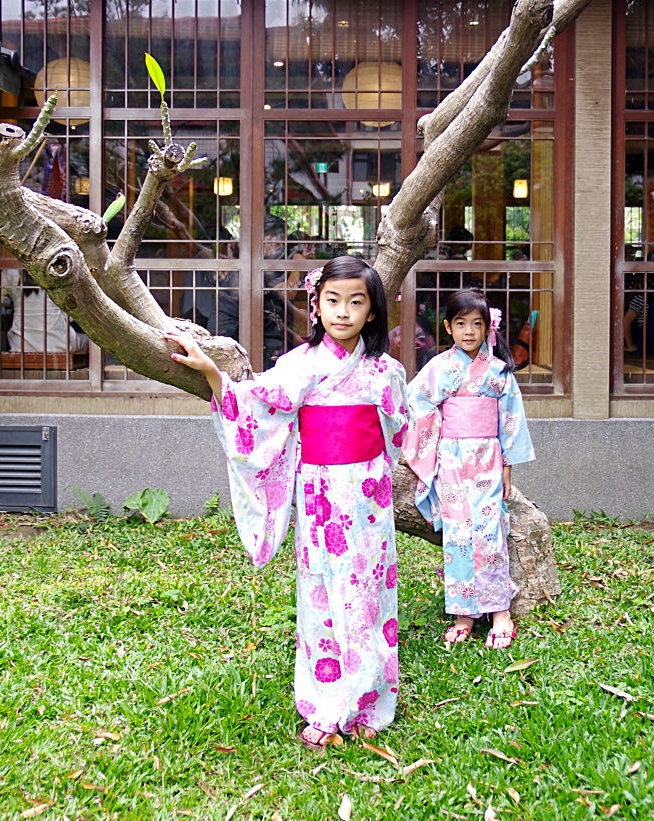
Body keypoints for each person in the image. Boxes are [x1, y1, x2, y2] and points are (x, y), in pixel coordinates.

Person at [164, 256, 408, 750]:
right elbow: (255, 403)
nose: (343, 312)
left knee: (366, 594)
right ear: (315, 306)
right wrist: (214, 374)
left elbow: (400, 430)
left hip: (368, 497)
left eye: (356, 302)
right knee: (319, 595)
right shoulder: (301, 365)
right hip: (319, 497)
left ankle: (366, 703)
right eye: (332, 300)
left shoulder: (386, 371)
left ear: (373, 312)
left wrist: (376, 473)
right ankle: (324, 702)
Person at [401, 289, 535, 650]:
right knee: (458, 533)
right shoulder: (441, 367)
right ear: (448, 327)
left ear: (488, 326)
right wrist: (433, 441)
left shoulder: (498, 372)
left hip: (488, 456)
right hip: (451, 458)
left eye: (477, 324)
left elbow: (511, 419)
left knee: (491, 530)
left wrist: (507, 465)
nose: (470, 331)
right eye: (461, 324)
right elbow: (416, 401)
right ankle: (463, 612)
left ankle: (499, 611)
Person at [0, 268, 89, 355]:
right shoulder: (59, 270)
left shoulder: (11, 273)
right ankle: (95, 377)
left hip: (20, 344)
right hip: (59, 343)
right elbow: (75, 313)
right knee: (93, 342)